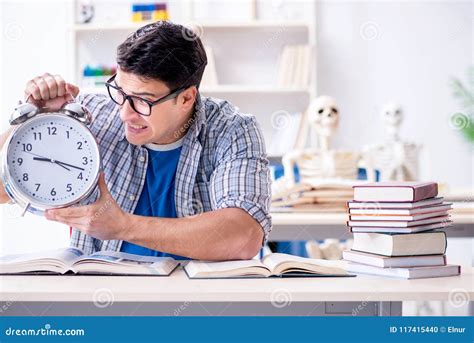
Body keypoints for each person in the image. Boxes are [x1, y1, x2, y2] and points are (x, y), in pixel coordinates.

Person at [0, 21, 271, 261]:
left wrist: (122, 226)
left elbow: (243, 236)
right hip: (101, 300)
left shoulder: (232, 129)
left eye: (142, 100)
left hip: (198, 301)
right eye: (119, 91)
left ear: (187, 98)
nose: (125, 113)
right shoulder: (91, 119)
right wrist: (31, 122)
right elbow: (3, 191)